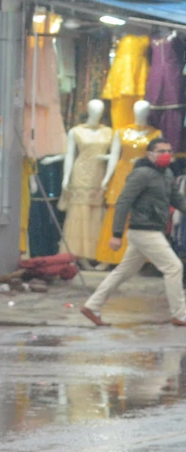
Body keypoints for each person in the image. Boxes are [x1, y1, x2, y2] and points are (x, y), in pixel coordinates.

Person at [81, 138, 186, 327]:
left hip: (152, 230)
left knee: (123, 272)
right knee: (174, 267)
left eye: (169, 151)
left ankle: (92, 305)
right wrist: (116, 233)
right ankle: (180, 314)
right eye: (161, 151)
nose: (166, 155)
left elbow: (177, 200)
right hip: (144, 230)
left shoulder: (167, 173)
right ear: (149, 154)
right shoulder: (141, 174)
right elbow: (123, 202)